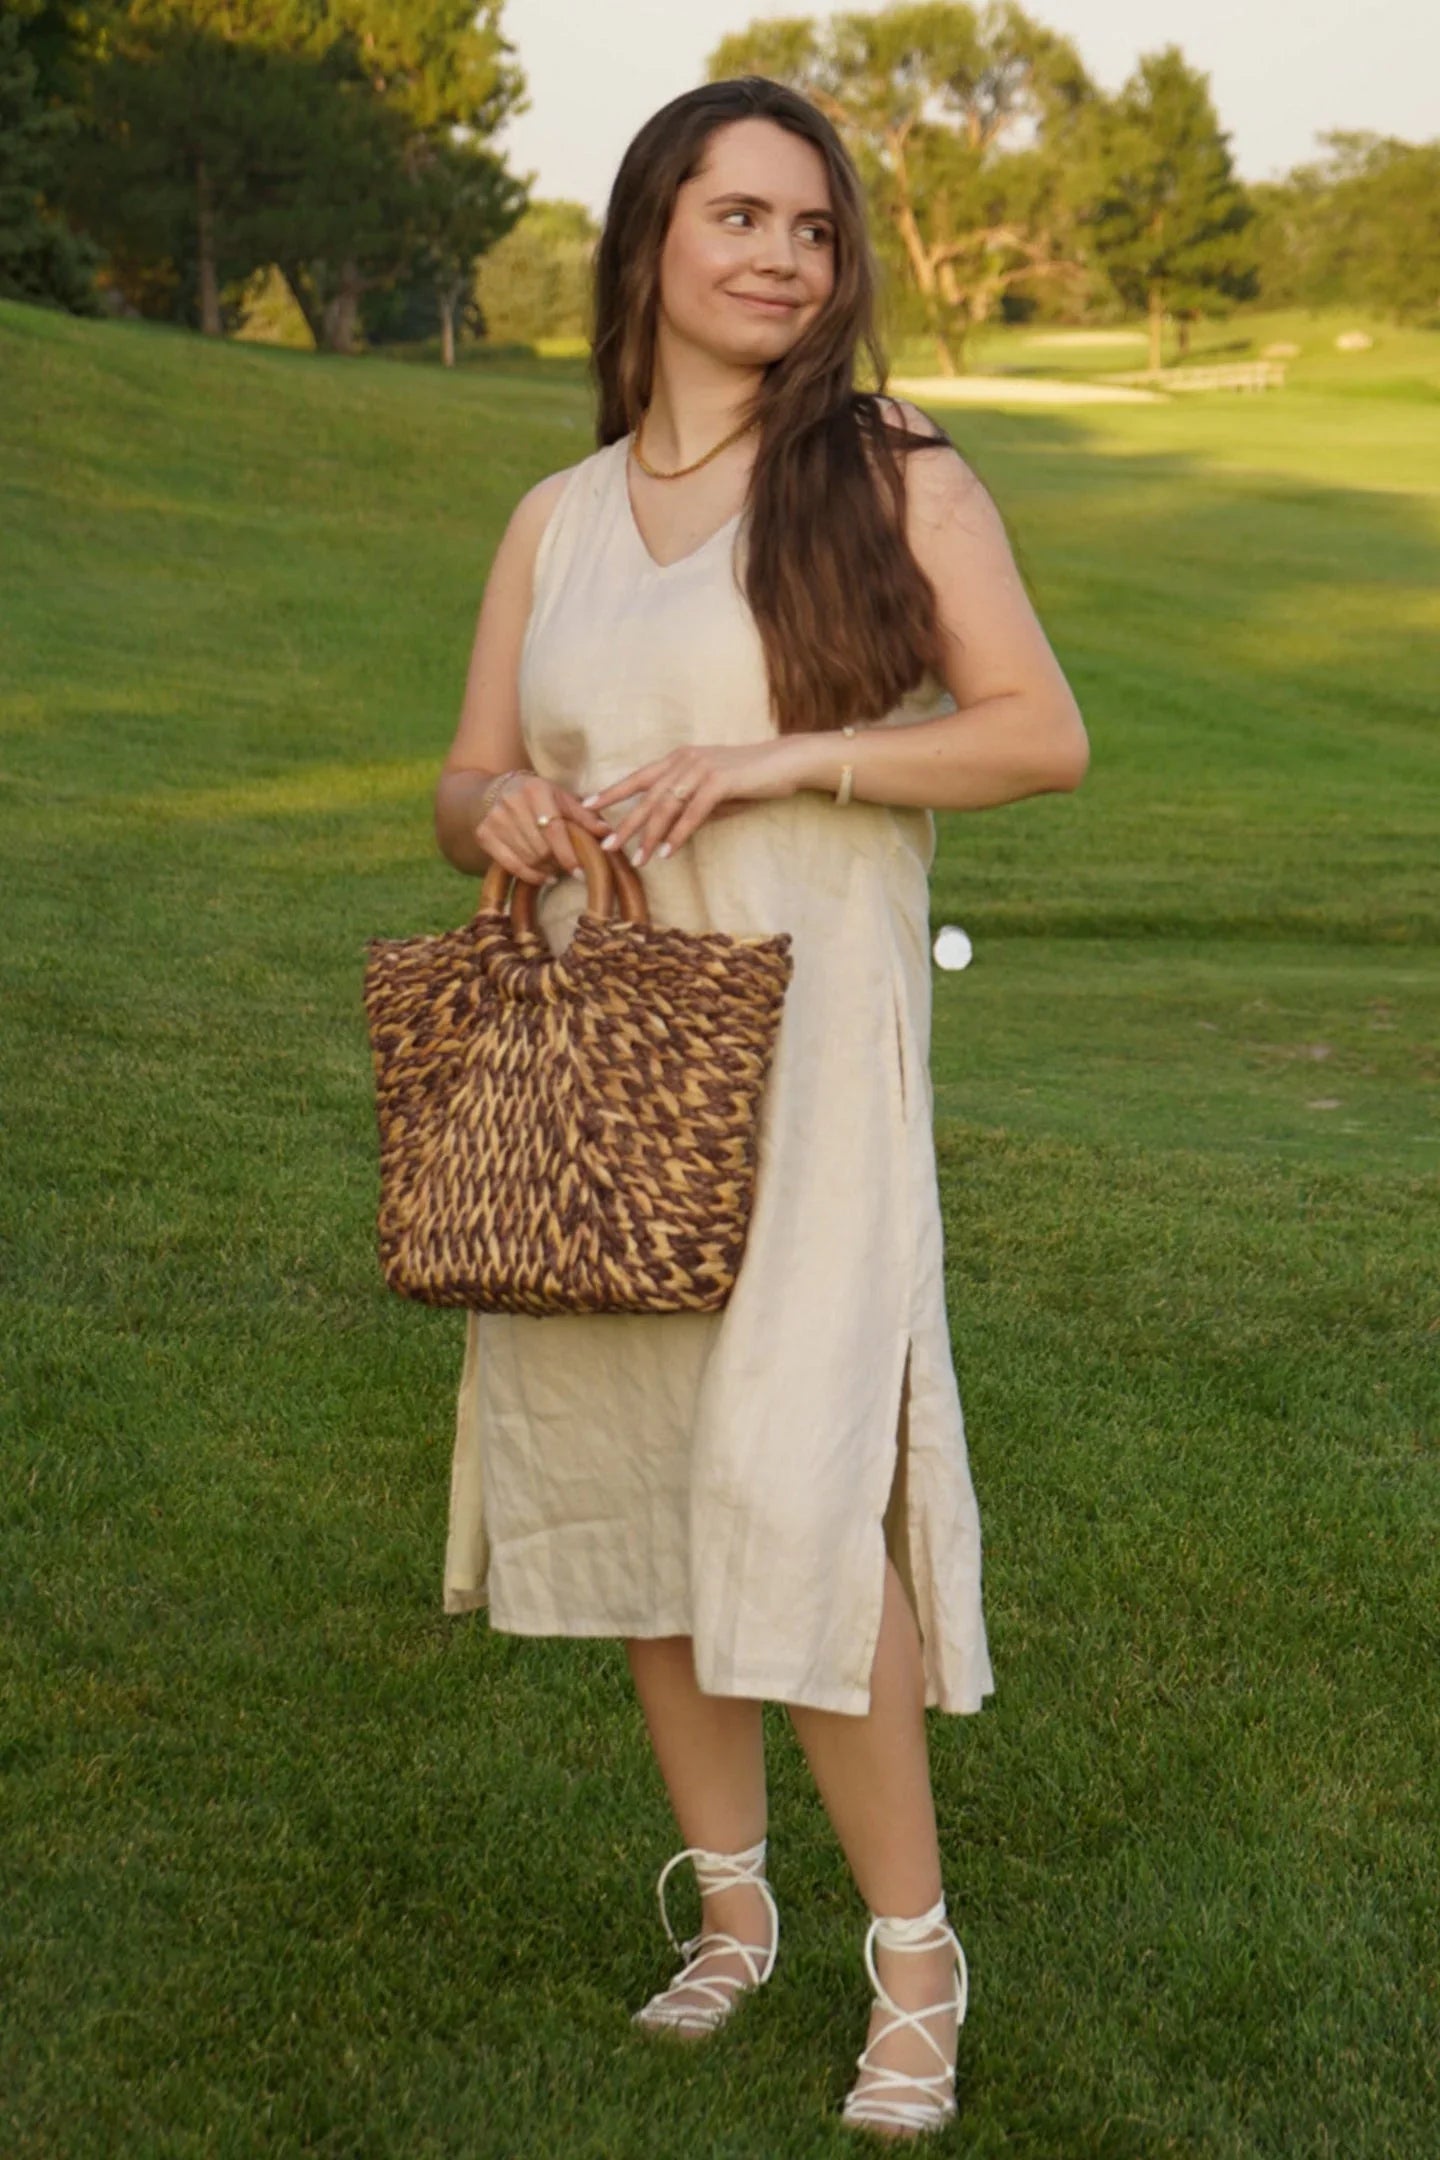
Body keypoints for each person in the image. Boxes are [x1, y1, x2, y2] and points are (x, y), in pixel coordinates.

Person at [433, 75, 1088, 2142]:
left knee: (797, 1496)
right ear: (650, 238)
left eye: (813, 228)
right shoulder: (553, 517)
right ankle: (731, 1916)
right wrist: (504, 808)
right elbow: (455, 777)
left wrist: (791, 760)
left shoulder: (889, 468)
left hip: (811, 1048)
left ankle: (914, 1958)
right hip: (598, 1048)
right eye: (739, 216)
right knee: (641, 1482)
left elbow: (1036, 738)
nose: (783, 257)